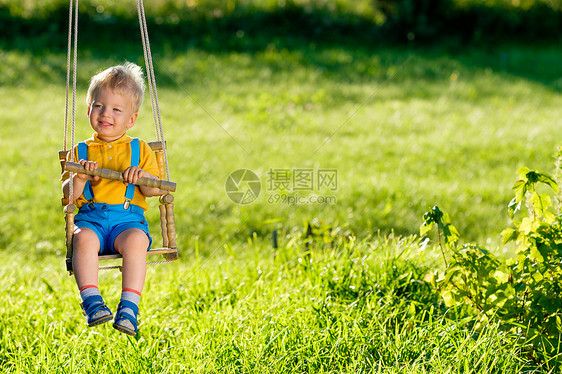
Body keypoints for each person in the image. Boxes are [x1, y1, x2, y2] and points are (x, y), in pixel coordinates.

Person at [62, 62, 162, 336]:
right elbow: (68, 196)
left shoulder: (139, 149)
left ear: (131, 119)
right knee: (81, 239)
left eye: (117, 109)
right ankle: (92, 302)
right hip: (91, 219)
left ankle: (129, 307)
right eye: (99, 106)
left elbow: (155, 190)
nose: (106, 113)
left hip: (126, 221)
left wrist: (140, 177)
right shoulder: (80, 151)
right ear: (88, 110)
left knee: (137, 241)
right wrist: (80, 177)